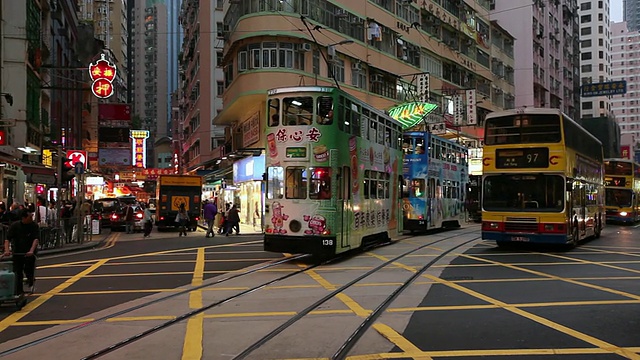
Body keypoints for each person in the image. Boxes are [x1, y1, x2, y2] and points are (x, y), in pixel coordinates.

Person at [3, 208, 39, 296]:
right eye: (30, 217)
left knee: (29, 269)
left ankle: (30, 280)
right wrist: (7, 250)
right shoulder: (15, 226)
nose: (31, 218)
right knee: (17, 272)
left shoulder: (34, 226)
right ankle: (19, 291)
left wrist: (31, 250)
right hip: (18, 252)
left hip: (29, 252)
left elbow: (36, 239)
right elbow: (7, 239)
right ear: (24, 218)